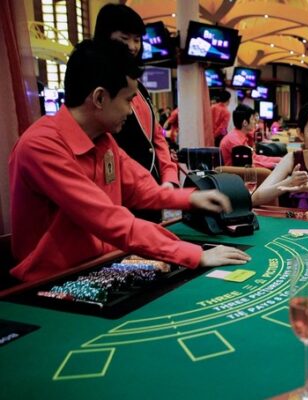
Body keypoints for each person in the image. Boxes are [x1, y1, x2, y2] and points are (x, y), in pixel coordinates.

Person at [8, 40, 250, 283]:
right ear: (100, 98)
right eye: (128, 100)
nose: (130, 111)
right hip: (49, 281)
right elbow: (108, 220)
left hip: (100, 264)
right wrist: (196, 254)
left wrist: (191, 198)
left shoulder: (103, 140)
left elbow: (141, 189)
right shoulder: (41, 146)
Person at [94, 3, 179, 222]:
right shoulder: (94, 86)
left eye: (137, 40)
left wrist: (169, 178)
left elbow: (156, 136)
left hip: (151, 192)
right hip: (119, 197)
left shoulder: (139, 87)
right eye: (124, 38)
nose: (132, 47)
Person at [220, 104, 281, 168]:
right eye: (252, 119)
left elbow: (254, 157)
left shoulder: (240, 136)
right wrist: (274, 165)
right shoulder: (234, 140)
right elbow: (249, 164)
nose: (255, 122)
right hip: (237, 172)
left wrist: (279, 160)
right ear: (245, 123)